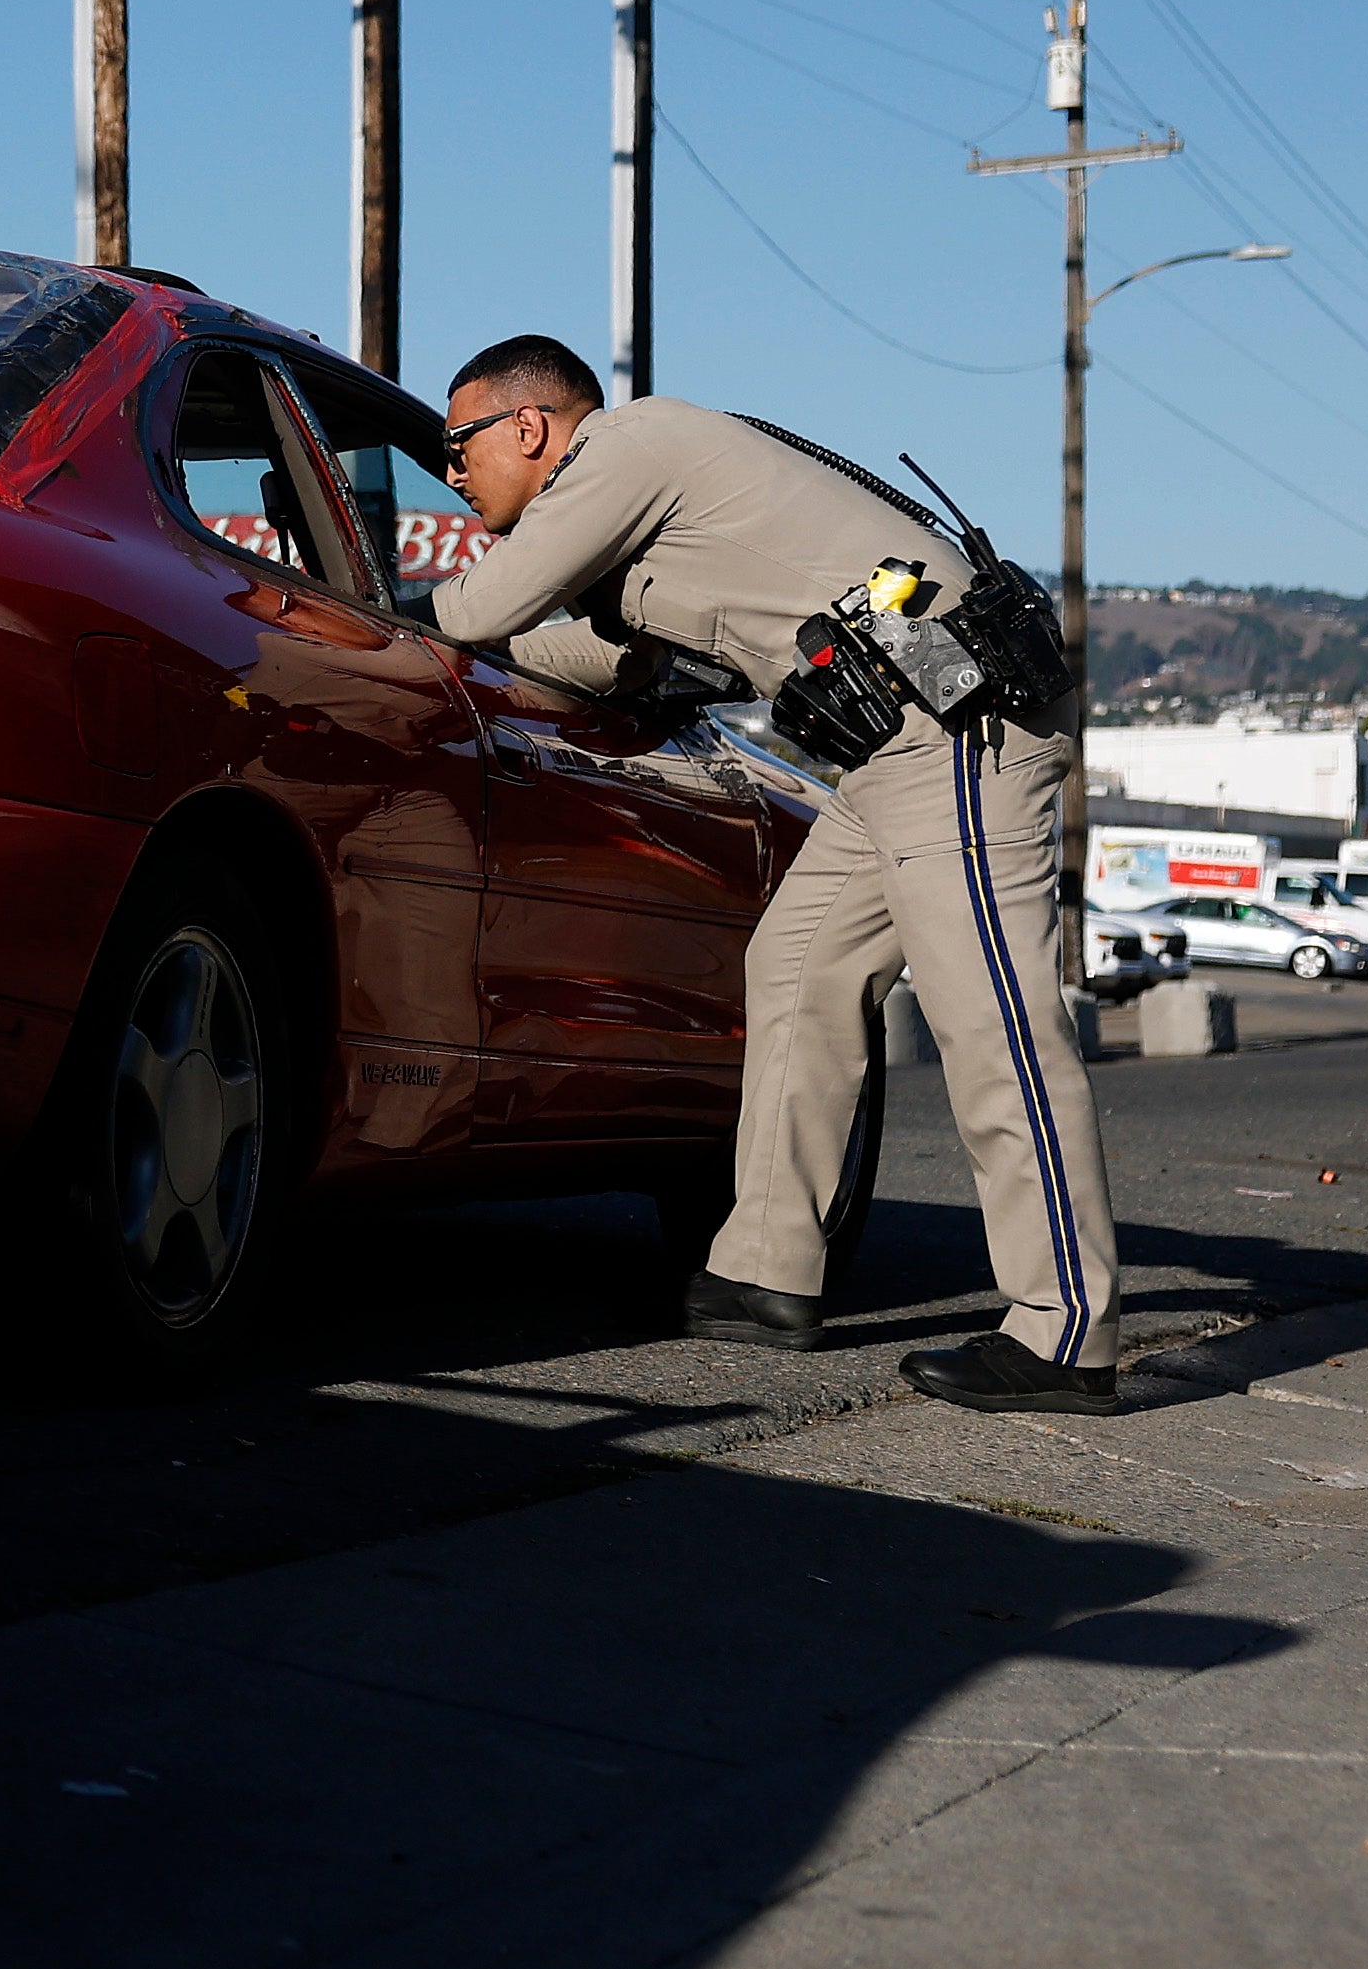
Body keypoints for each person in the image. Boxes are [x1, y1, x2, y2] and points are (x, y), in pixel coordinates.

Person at [429, 336, 1124, 1412]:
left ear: (527, 426)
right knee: (796, 965)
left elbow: (479, 610)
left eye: (456, 443)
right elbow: (621, 659)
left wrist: (390, 608)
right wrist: (466, 640)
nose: (450, 471)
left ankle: (1062, 1324)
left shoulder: (628, 446)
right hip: (892, 752)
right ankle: (762, 1269)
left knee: (992, 1020)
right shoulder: (638, 497)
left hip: (961, 735)